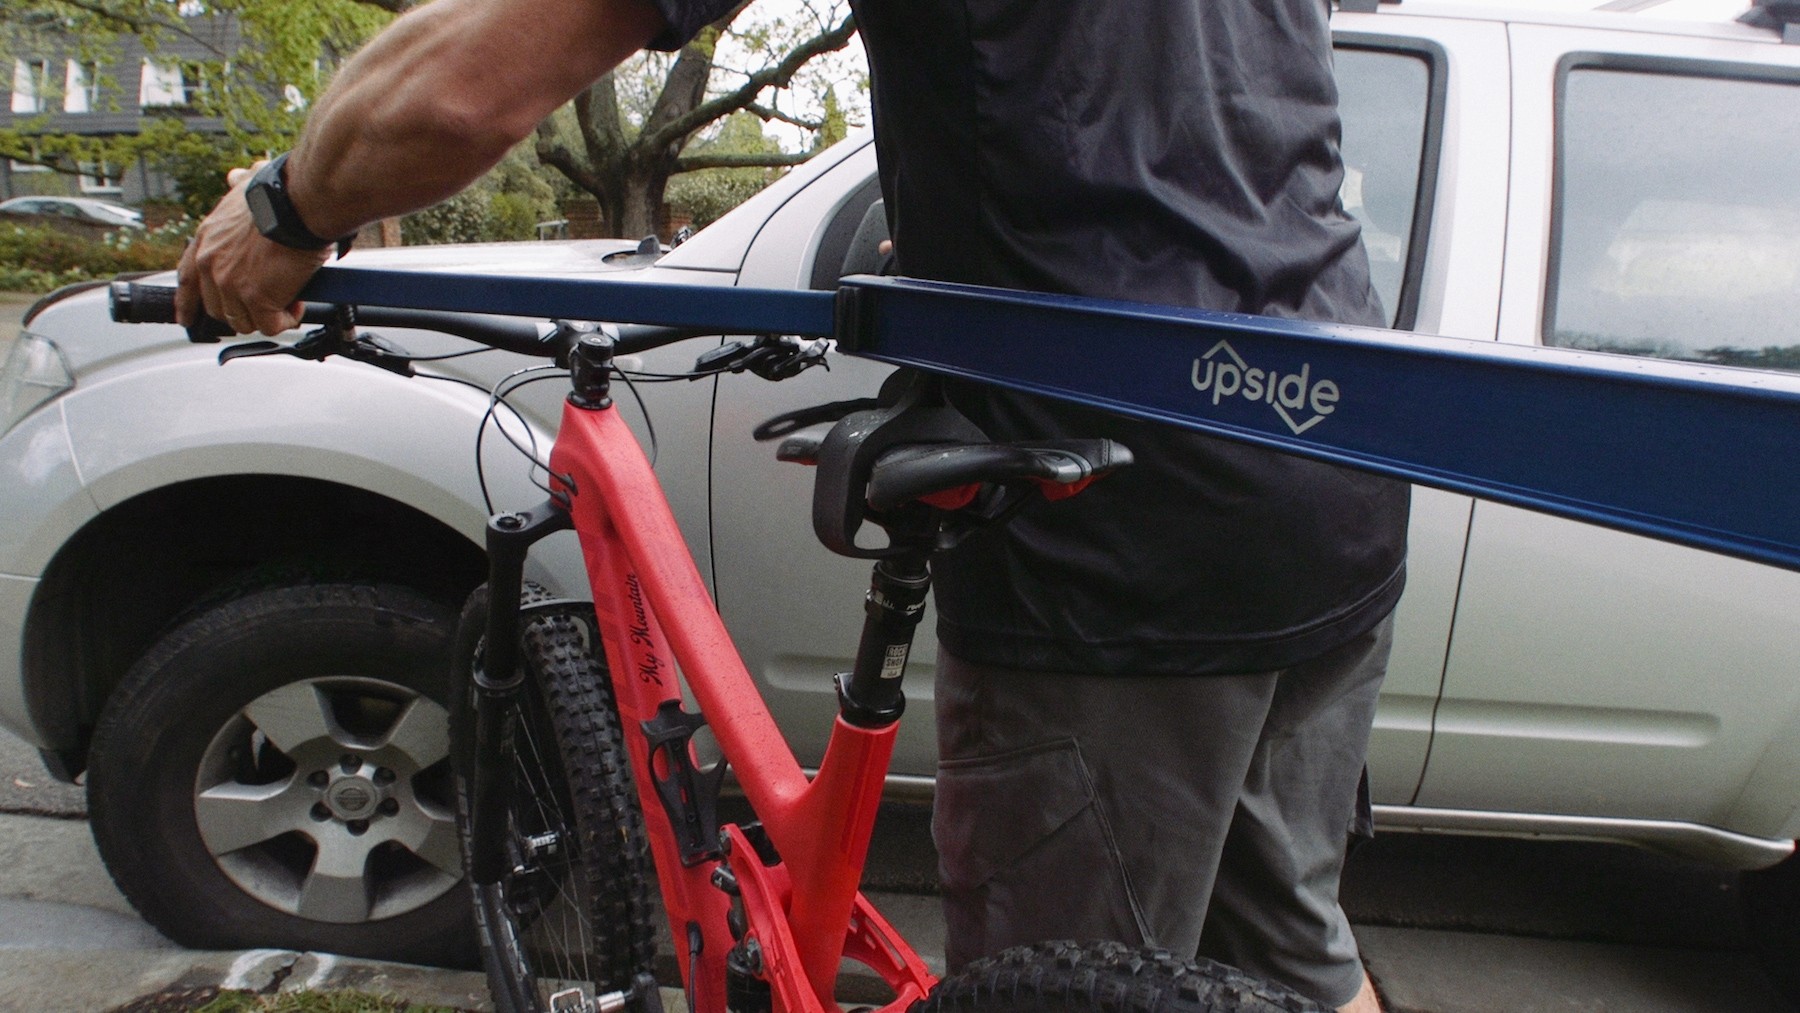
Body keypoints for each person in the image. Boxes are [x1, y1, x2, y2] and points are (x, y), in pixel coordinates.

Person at [178, 2, 1405, 1010]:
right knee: (1290, 956)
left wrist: (287, 206)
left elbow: (465, 84)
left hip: (1123, 522)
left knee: (1064, 986)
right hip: (1329, 450)